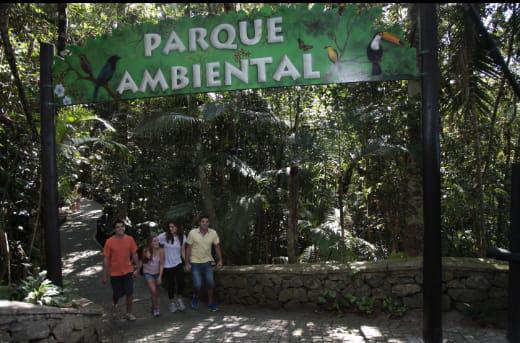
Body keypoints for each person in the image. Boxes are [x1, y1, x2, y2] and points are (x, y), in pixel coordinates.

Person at [101, 219, 139, 321]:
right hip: (114, 273)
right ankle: (114, 302)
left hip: (128, 271)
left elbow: (134, 254)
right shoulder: (109, 242)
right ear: (115, 229)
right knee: (118, 294)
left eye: (122, 226)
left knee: (129, 292)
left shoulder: (130, 239)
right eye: (118, 227)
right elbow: (106, 258)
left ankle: (129, 313)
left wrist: (138, 268)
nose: (120, 229)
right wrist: (104, 275)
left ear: (124, 228)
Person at [185, 214, 223, 312]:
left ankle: (210, 304)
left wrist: (220, 260)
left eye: (207, 222)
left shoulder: (213, 233)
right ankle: (195, 297)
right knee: (198, 284)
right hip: (195, 262)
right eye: (203, 221)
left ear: (209, 223)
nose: (205, 223)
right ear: (199, 223)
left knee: (210, 283)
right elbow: (188, 248)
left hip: (208, 262)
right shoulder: (192, 233)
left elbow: (217, 246)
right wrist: (187, 263)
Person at [158, 220, 187, 313]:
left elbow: (182, 251)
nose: (171, 229)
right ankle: (171, 303)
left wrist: (187, 262)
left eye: (173, 227)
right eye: (169, 227)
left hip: (178, 262)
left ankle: (179, 300)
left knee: (181, 281)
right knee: (171, 284)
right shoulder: (163, 236)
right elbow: (154, 243)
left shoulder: (182, 237)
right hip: (167, 265)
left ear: (177, 227)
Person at [136, 235, 164, 317]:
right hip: (148, 273)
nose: (157, 242)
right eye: (154, 241)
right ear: (150, 243)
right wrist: (137, 271)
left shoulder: (161, 251)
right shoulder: (145, 250)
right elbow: (141, 261)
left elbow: (162, 264)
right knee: (153, 291)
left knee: (155, 293)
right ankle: (156, 308)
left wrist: (160, 277)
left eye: (157, 240)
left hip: (157, 273)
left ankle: (153, 306)